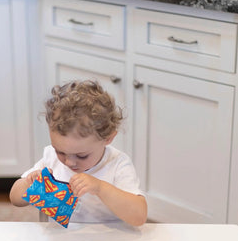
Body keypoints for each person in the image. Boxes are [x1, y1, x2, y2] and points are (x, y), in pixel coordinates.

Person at [9, 80, 147, 226]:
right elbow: (15, 199)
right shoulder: (50, 158)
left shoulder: (117, 164)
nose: (69, 162)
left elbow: (139, 217)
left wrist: (100, 188)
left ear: (108, 138)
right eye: (60, 152)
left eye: (81, 156)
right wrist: (29, 184)